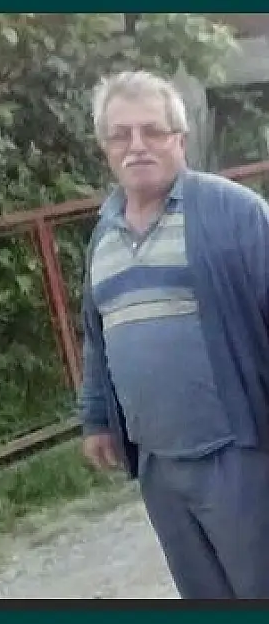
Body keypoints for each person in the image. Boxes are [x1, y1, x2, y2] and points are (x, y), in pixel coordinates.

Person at [80, 70, 269, 599]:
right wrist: (95, 419)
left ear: (179, 139)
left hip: (238, 451)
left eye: (152, 131)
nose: (136, 145)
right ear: (105, 147)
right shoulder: (104, 236)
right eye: (120, 134)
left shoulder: (233, 213)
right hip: (158, 466)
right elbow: (98, 339)